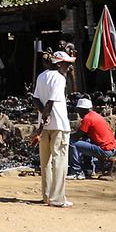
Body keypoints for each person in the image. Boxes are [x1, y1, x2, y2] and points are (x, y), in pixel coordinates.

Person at [31, 50, 76, 208]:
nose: (69, 67)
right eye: (67, 64)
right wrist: (45, 117)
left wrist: (42, 123)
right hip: (59, 125)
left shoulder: (42, 76)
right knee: (59, 161)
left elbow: (35, 98)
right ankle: (57, 199)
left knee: (45, 162)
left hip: (45, 126)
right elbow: (51, 102)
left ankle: (47, 196)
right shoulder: (59, 78)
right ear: (58, 64)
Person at [68, 97, 116, 179]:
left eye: (78, 110)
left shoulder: (87, 118)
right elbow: (84, 135)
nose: (78, 112)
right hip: (112, 147)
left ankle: (76, 172)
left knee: (71, 142)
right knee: (85, 141)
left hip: (105, 150)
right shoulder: (95, 115)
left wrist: (66, 136)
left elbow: (77, 136)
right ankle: (89, 170)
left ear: (83, 109)